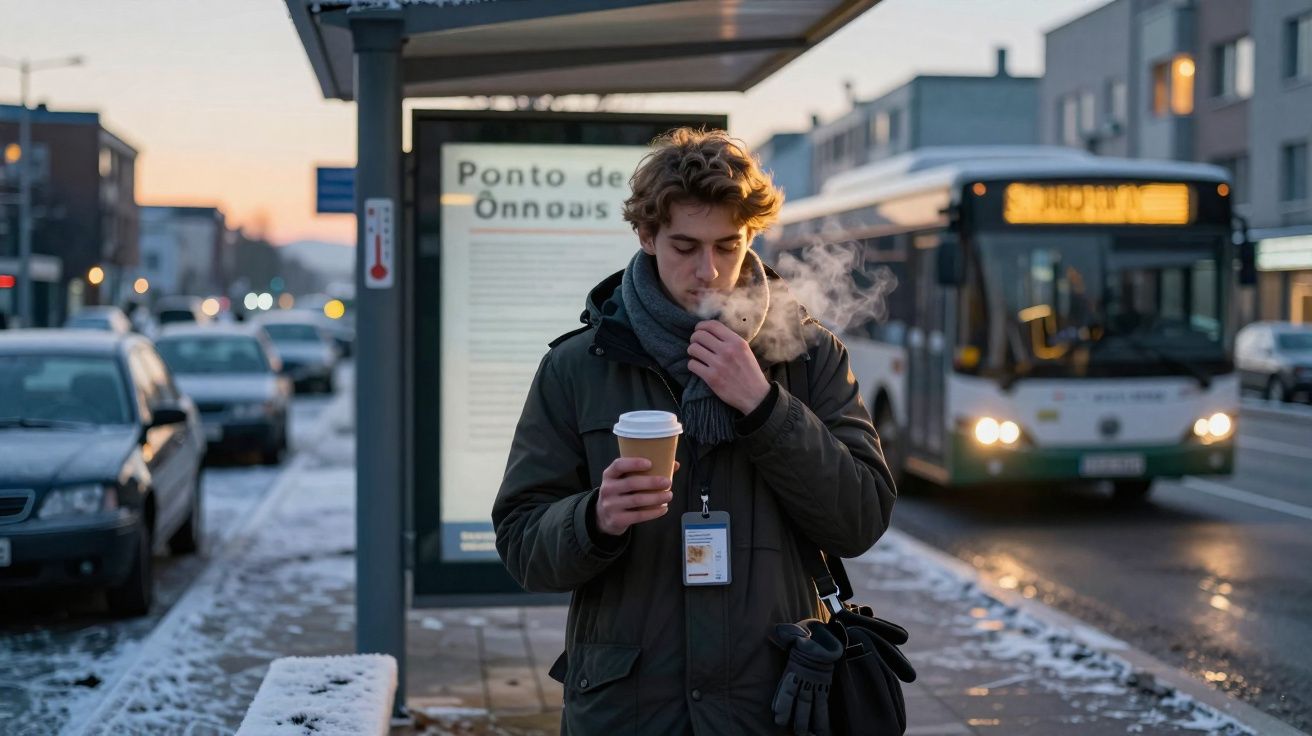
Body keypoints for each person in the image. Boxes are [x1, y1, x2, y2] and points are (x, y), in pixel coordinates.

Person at [492, 128, 896, 734]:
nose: (708, 270)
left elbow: (860, 519)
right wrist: (594, 518)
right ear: (647, 236)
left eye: (727, 246)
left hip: (771, 704)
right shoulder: (579, 366)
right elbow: (522, 543)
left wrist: (765, 406)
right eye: (684, 246)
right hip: (630, 712)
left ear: (750, 237)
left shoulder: (809, 357)